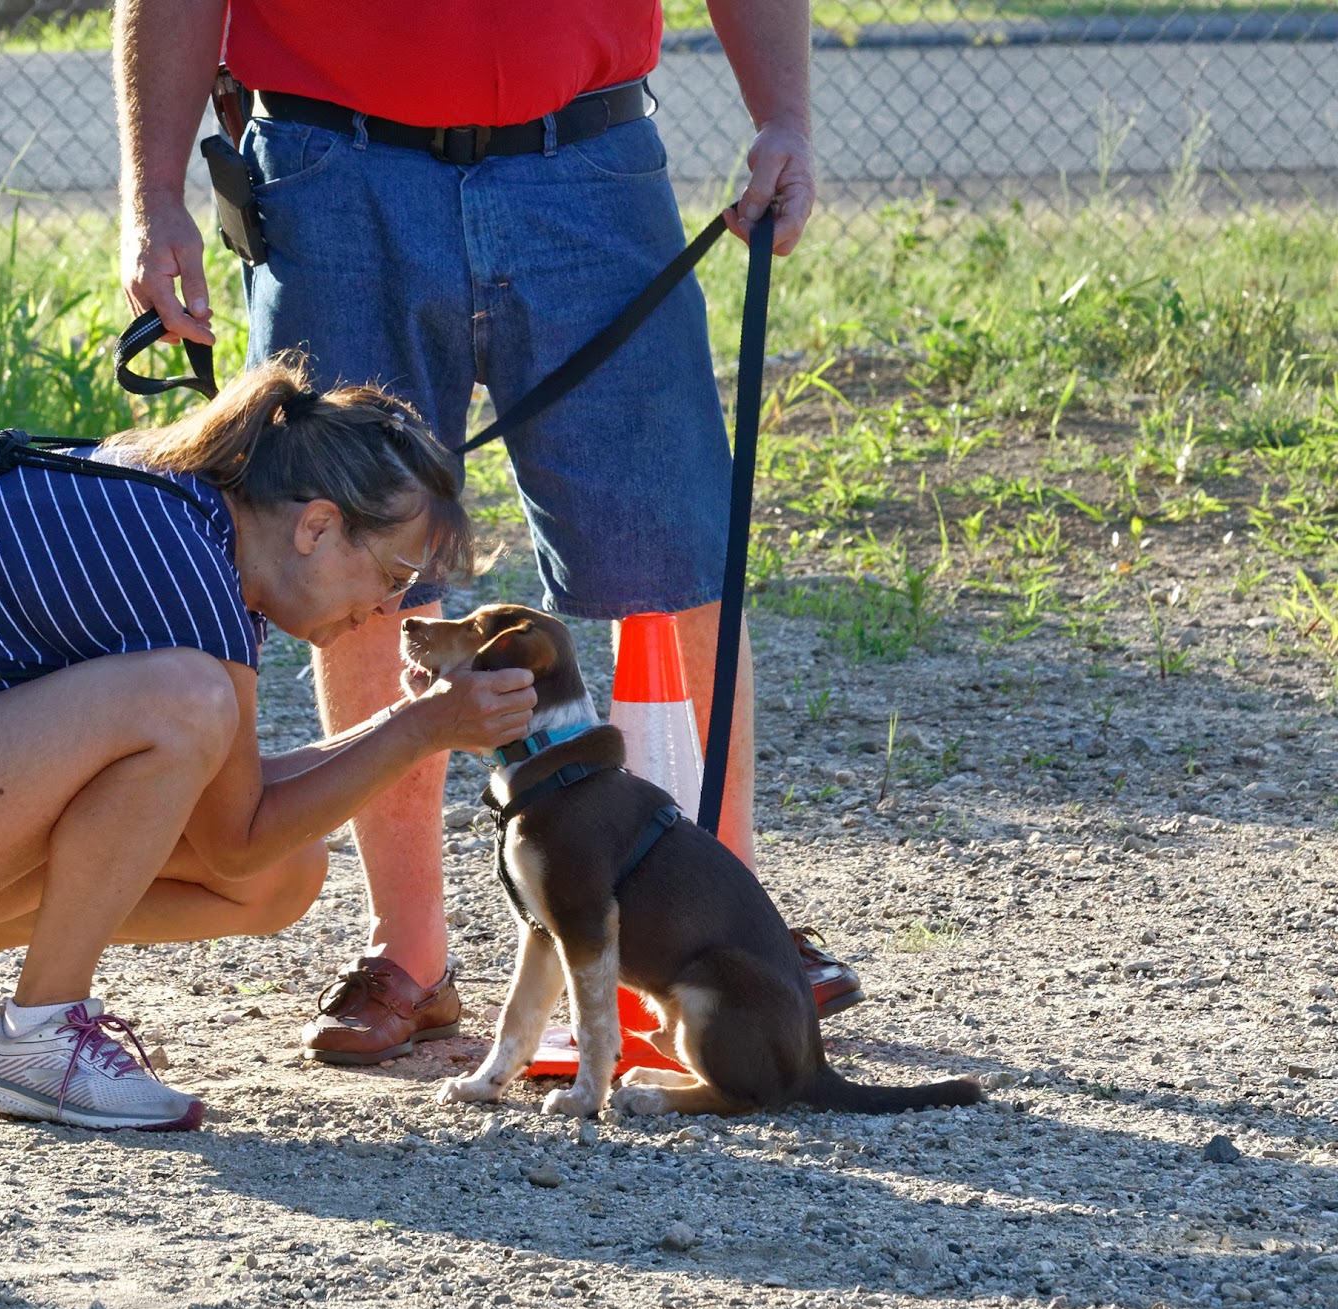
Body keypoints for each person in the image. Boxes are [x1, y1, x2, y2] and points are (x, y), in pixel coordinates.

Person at [116, 0, 862, 1065]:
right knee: (353, 558)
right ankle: (407, 955)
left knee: (675, 552)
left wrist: (783, 115)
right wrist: (150, 196)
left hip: (586, 163)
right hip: (331, 168)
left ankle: (724, 915)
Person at [0, 358, 537, 1130]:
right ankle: (42, 1036)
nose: (387, 608)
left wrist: (416, 723)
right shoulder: (185, 564)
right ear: (318, 526)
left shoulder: (201, 528)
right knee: (187, 702)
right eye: (393, 577)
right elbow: (234, 837)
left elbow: (251, 842)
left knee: (285, 874)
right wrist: (423, 727)